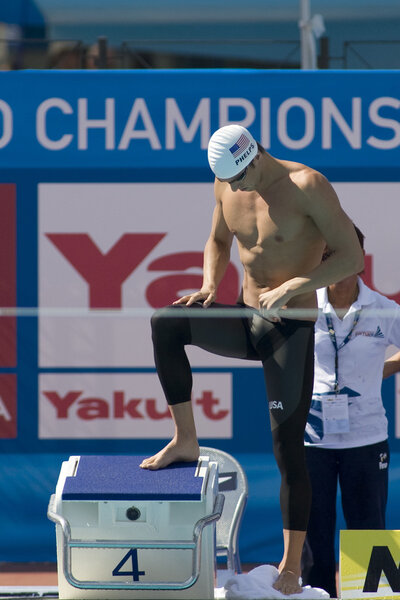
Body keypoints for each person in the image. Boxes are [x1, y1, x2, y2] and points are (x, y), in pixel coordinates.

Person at [140, 124, 364, 595]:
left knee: (288, 450)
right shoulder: (226, 181)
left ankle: (289, 567)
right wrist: (207, 286)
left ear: (256, 156)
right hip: (247, 316)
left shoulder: (308, 185)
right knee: (167, 322)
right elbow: (219, 242)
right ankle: (185, 439)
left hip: (290, 330)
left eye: (241, 179)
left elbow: (351, 257)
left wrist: (295, 287)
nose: (238, 188)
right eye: (231, 182)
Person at [302, 225, 400, 598]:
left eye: (344, 252)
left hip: (367, 436)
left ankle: (370, 598)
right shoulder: (303, 304)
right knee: (314, 532)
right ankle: (317, 595)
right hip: (312, 440)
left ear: (358, 258)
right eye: (327, 255)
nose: (336, 262)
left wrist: (384, 368)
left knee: (368, 528)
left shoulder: (383, 309)